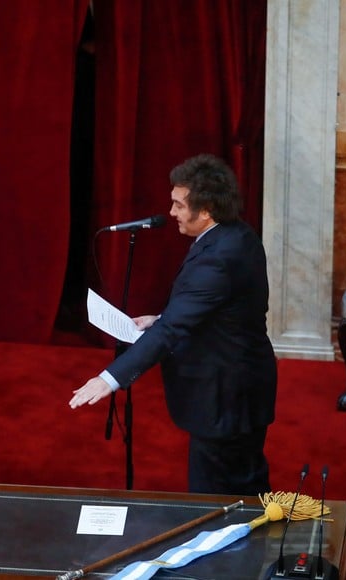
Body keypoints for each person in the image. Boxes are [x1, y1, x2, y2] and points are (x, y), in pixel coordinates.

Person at [69, 153, 277, 495]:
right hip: (240, 389)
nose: (172, 213)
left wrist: (110, 378)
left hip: (225, 397)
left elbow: (173, 332)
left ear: (206, 209)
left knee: (216, 500)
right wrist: (161, 317)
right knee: (245, 484)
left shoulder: (218, 258)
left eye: (179, 205)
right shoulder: (234, 235)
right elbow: (213, 307)